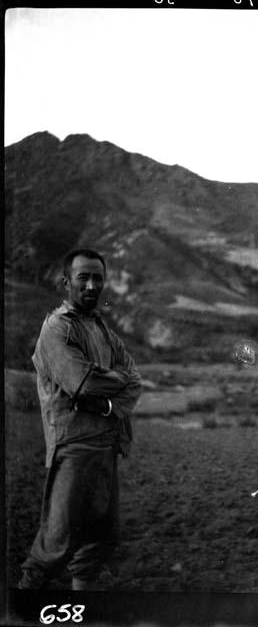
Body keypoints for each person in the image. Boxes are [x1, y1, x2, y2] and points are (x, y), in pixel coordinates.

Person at [19, 249, 142, 590]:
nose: (91, 285)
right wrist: (114, 381)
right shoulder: (57, 329)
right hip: (73, 447)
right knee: (54, 544)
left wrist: (109, 406)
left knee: (99, 538)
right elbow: (82, 382)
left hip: (106, 444)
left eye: (98, 278)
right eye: (83, 278)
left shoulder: (101, 327)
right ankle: (22, 609)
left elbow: (135, 380)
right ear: (66, 282)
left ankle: (82, 609)